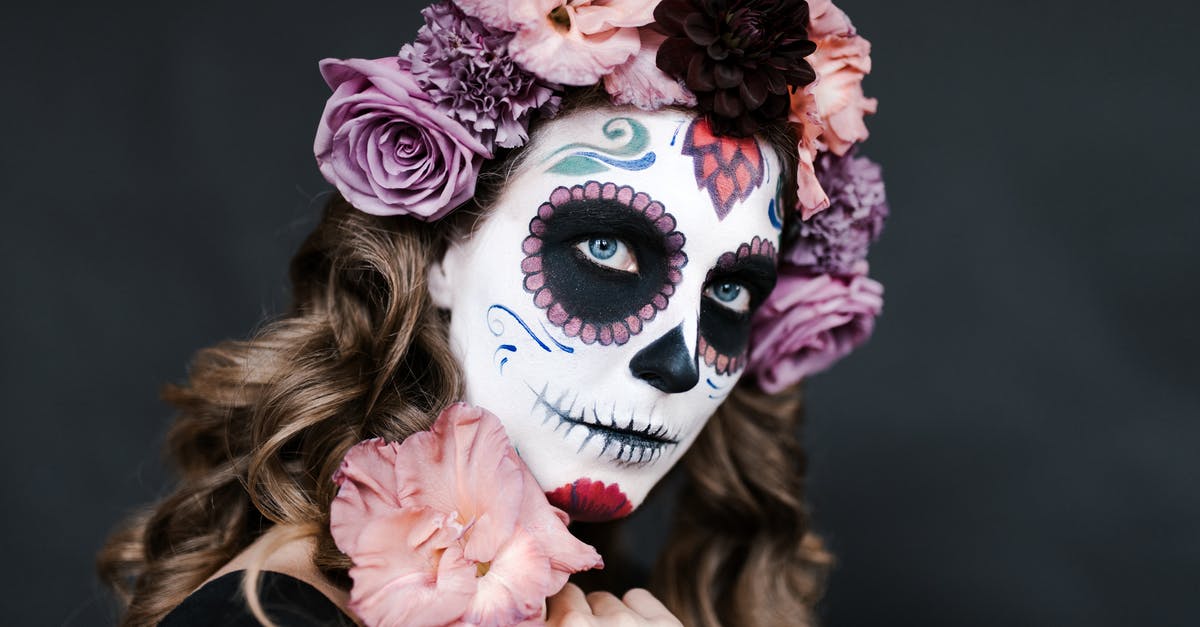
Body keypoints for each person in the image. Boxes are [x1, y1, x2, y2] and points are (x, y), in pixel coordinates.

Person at [98, 1, 887, 625]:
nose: (679, 363)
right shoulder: (266, 617)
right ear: (444, 245)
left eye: (730, 293)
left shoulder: (616, 602)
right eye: (608, 250)